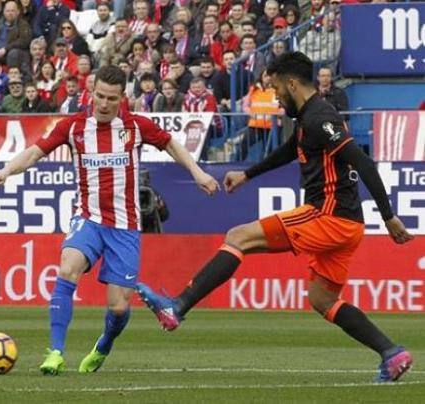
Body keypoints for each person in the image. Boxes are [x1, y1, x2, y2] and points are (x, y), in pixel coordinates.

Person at [136, 52, 415, 384]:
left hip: (327, 216)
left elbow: (363, 163)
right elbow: (288, 151)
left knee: (238, 236)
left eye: (277, 89)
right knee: (322, 299)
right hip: (347, 225)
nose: (277, 98)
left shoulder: (318, 117)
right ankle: (391, 353)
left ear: (292, 83)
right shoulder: (310, 118)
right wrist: (247, 174)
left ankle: (176, 307)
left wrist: (389, 217)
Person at [0, 65, 220, 375]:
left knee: (119, 306)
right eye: (100, 96)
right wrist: (5, 171)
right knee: (68, 267)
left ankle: (104, 345)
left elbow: (172, 145)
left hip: (125, 226)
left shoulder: (136, 127)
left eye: (112, 98)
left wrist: (198, 172)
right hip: (89, 217)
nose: (105, 104)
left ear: (122, 96)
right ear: (91, 91)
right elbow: (34, 152)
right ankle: (55, 352)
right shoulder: (73, 127)